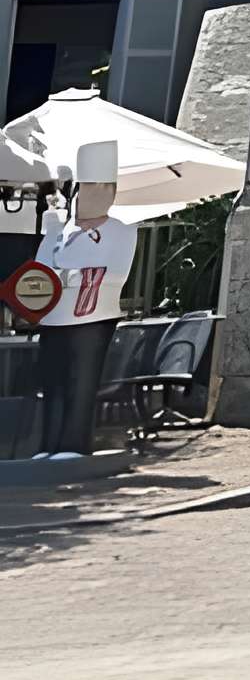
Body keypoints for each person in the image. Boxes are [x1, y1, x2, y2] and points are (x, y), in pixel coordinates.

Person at [29, 140, 133, 460]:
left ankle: (74, 444)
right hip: (53, 318)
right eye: (86, 185)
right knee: (53, 382)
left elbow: (116, 273)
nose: (94, 193)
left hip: (93, 318)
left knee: (82, 381)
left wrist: (69, 278)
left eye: (102, 186)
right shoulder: (60, 229)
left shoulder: (123, 229)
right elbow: (42, 269)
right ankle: (49, 445)